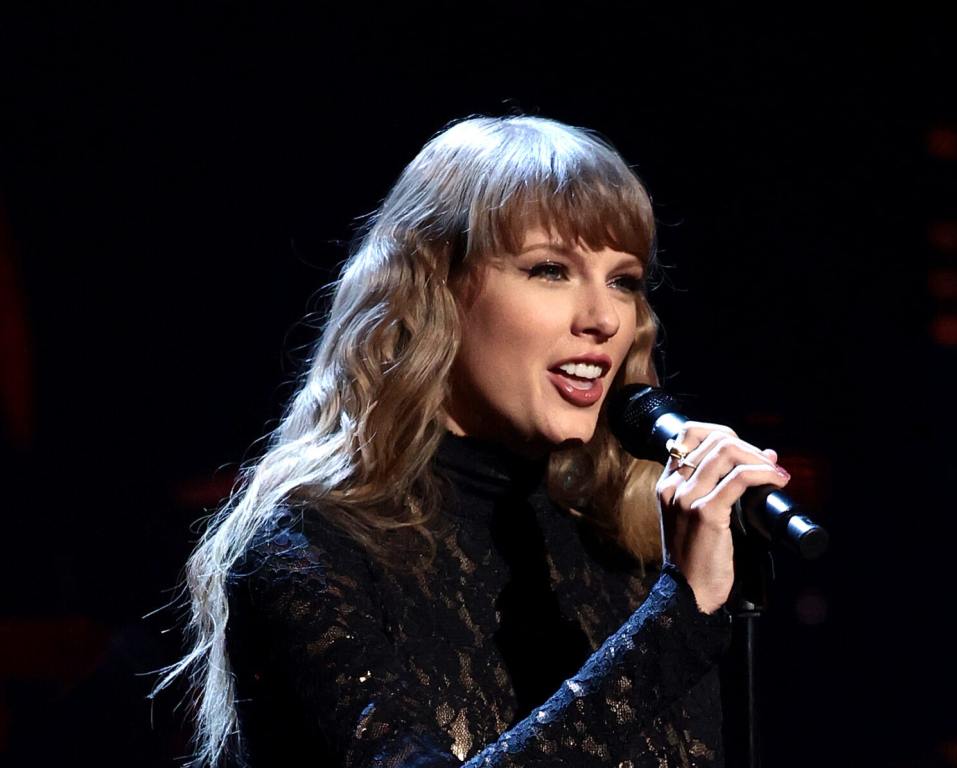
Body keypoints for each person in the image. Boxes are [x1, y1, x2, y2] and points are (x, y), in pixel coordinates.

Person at [151, 115, 791, 767]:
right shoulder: (311, 548)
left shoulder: (623, 546)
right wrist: (676, 619)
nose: (602, 318)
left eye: (622, 280)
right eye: (550, 269)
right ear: (438, 290)